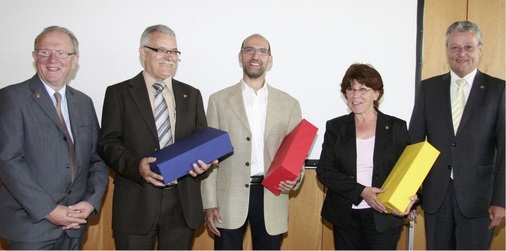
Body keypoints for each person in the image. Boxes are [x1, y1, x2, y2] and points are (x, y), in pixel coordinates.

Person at [98, 24, 215, 250]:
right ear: (143, 53)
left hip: (182, 204)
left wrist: (205, 164)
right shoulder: (119, 93)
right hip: (135, 203)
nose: (168, 57)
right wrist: (136, 166)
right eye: (161, 50)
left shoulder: (191, 95)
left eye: (173, 52)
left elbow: (201, 144)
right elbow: (107, 143)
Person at [0, 26, 109, 249]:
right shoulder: (12, 97)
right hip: (31, 226)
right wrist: (48, 210)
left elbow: (97, 159)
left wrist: (90, 203)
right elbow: (8, 161)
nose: (52, 59)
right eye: (44, 51)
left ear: (74, 60)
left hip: (74, 226)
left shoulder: (84, 102)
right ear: (34, 56)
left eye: (61, 53)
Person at [200, 34, 304, 250]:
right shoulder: (218, 100)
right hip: (228, 198)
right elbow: (209, 157)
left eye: (262, 51)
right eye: (249, 50)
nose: (255, 56)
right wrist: (209, 203)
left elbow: (296, 156)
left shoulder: (290, 103)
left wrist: (295, 178)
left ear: (270, 59)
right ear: (240, 56)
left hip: (272, 197)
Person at [409, 20, 505, 249]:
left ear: (480, 49)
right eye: (454, 47)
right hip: (436, 196)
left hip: (480, 199)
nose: (461, 53)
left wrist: (501, 201)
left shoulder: (498, 90)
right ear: (447, 50)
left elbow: (504, 150)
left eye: (468, 47)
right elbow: (414, 144)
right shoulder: (428, 88)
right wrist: (408, 193)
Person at [316, 63, 417, 249]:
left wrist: (412, 198)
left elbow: (410, 170)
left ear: (377, 94)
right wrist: (361, 191)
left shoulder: (396, 127)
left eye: (363, 89)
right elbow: (324, 171)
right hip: (345, 217)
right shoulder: (336, 127)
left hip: (383, 216)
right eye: (350, 89)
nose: (355, 96)